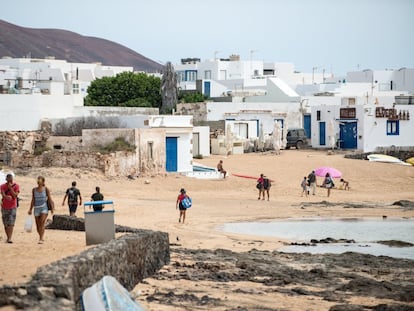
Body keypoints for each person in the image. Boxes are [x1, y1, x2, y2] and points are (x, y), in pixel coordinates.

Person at [28, 176, 54, 244]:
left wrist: (52, 208)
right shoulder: (34, 190)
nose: (39, 183)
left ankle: (41, 238)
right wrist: (30, 209)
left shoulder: (46, 189)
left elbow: (50, 199)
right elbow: (33, 199)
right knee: (38, 224)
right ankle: (40, 236)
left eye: (40, 182)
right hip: (36, 208)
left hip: (44, 207)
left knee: (42, 223)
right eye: (38, 182)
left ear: (43, 182)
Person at [1, 174, 20, 244]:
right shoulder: (2, 186)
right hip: (4, 207)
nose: (10, 180)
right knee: (5, 224)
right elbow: (3, 195)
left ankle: (9, 238)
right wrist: (6, 197)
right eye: (8, 178)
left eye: (11, 178)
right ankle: (8, 237)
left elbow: (15, 196)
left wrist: (10, 188)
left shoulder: (16, 186)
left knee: (11, 223)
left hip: (12, 207)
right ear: (6, 179)